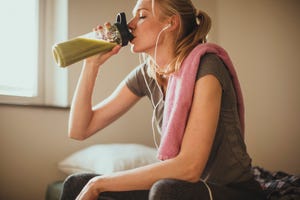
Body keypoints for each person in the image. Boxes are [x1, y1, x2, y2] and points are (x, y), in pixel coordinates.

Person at [60, 0, 266, 199]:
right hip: (186, 187)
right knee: (76, 184)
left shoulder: (207, 67)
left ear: (171, 23)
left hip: (232, 191)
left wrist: (99, 184)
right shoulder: (147, 74)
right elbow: (79, 129)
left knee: (167, 191)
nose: (130, 24)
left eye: (141, 16)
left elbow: (189, 168)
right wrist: (91, 64)